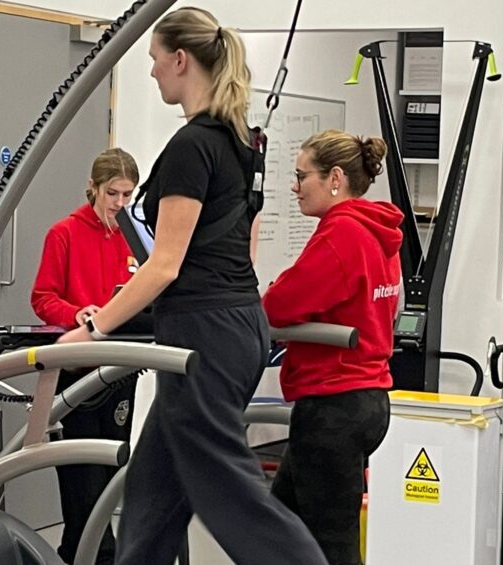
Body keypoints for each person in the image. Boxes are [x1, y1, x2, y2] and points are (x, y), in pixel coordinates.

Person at [58, 8, 327, 564]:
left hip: (205, 336)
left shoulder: (192, 146)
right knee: (153, 497)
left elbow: (163, 266)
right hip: (229, 324)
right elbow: (236, 248)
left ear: (181, 60)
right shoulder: (239, 142)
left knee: (230, 495)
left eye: (155, 61)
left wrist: (92, 327)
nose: (152, 73)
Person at [262, 129, 403, 565]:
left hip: (333, 409)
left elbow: (279, 306)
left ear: (335, 177)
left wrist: (268, 298)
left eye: (302, 175)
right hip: (368, 400)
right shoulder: (378, 231)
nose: (294, 185)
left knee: (333, 546)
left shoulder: (341, 235)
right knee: (279, 526)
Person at [30, 147, 140, 565]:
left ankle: (88, 553)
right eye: (112, 193)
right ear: (93, 188)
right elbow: (42, 297)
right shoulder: (65, 233)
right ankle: (92, 555)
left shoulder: (133, 236)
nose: (120, 204)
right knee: (81, 484)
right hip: (77, 374)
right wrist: (75, 313)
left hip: (120, 372)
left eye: (128, 195)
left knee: (111, 479)